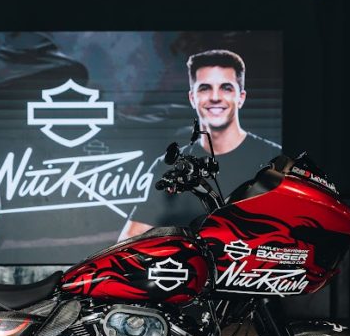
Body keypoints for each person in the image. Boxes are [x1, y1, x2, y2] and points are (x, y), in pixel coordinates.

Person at [120, 49, 281, 240]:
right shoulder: (169, 164)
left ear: (241, 97)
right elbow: (131, 237)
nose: (215, 97)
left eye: (226, 88)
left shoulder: (274, 159)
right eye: (205, 88)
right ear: (192, 98)